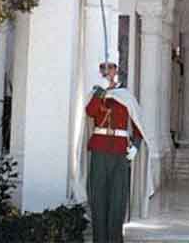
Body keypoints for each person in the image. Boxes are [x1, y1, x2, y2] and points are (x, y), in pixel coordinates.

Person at [73, 54, 154, 243]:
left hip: (120, 153)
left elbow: (138, 125)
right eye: (103, 68)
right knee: (98, 199)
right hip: (100, 150)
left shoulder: (126, 95)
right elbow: (90, 112)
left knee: (118, 200)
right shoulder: (96, 93)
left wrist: (135, 145)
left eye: (110, 68)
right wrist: (100, 91)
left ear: (116, 70)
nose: (107, 71)